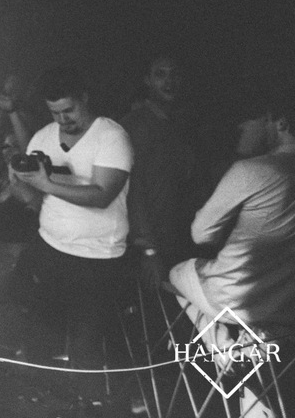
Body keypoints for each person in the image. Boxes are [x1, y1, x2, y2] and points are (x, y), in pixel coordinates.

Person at [1, 66, 133, 407]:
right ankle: (44, 402)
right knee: (35, 331)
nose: (63, 119)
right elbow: (35, 197)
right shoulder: (43, 137)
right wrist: (20, 185)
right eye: (55, 112)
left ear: (84, 98)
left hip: (97, 258)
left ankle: (91, 407)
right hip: (49, 246)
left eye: (69, 110)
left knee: (86, 346)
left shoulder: (111, 136)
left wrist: (46, 184)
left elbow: (103, 195)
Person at [169, 91, 295, 336]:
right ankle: (254, 344)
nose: (240, 127)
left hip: (236, 296)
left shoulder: (250, 170)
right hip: (285, 303)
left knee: (176, 272)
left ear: (280, 123)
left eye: (250, 119)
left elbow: (201, 235)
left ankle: (223, 348)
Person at [121, 55, 198, 284]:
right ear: (147, 80)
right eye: (160, 74)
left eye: (174, 74)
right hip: (149, 243)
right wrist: (148, 249)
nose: (169, 81)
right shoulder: (136, 124)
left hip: (179, 236)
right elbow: (133, 190)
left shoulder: (180, 124)